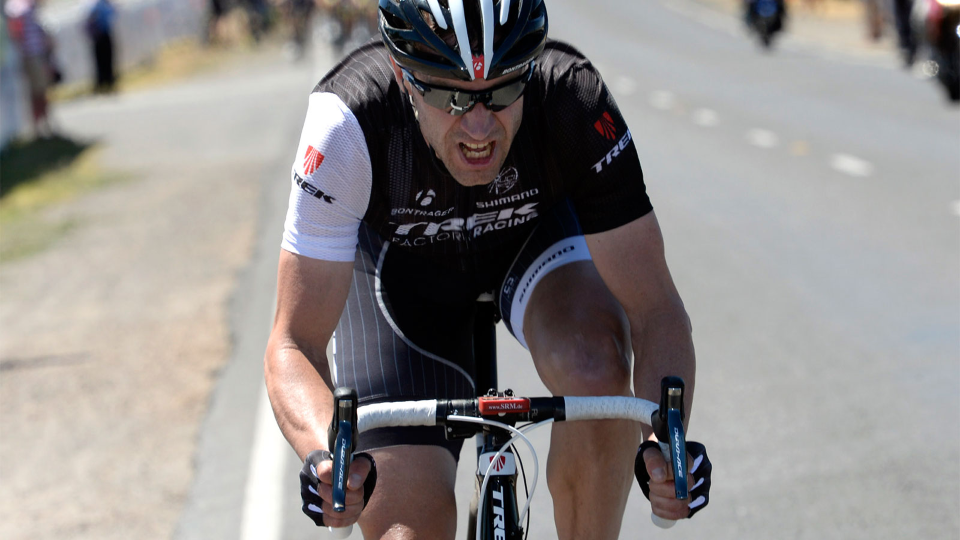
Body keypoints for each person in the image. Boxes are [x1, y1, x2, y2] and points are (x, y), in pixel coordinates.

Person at [264, 1, 714, 538]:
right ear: (404, 78)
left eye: (502, 91)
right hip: (400, 277)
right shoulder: (348, 121)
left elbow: (657, 309)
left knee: (595, 368)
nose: (479, 124)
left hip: (533, 248)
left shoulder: (572, 98)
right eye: (451, 96)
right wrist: (325, 456)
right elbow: (293, 343)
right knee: (408, 529)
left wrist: (665, 447)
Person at [4, 0, 54, 138]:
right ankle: (39, 127)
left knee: (42, 91)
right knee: (37, 92)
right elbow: (16, 32)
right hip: (31, 56)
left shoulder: (27, 6)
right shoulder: (17, 7)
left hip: (38, 54)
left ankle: (46, 124)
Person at [85, 0, 116, 93]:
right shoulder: (98, 4)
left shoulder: (95, 5)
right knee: (103, 60)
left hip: (101, 35)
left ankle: (106, 82)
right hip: (100, 35)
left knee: (104, 60)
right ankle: (104, 82)